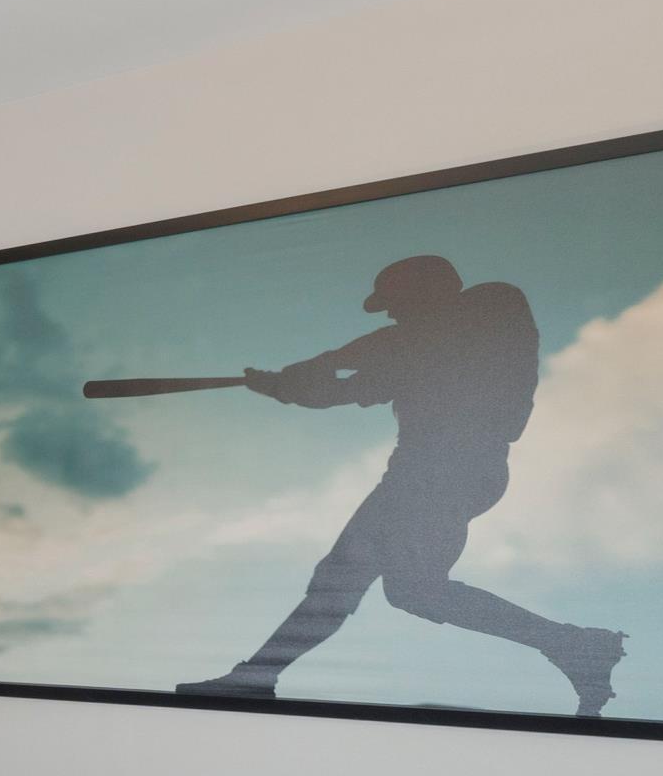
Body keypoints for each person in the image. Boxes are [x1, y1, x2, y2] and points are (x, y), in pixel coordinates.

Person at [179, 254, 624, 716]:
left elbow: (401, 344)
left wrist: (324, 360)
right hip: (432, 472)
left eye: (396, 302)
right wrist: (281, 385)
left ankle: (257, 677)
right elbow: (343, 390)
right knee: (405, 589)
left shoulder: (493, 306)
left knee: (350, 580)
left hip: (445, 469)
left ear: (427, 292)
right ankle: (573, 644)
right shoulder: (414, 351)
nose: (392, 312)